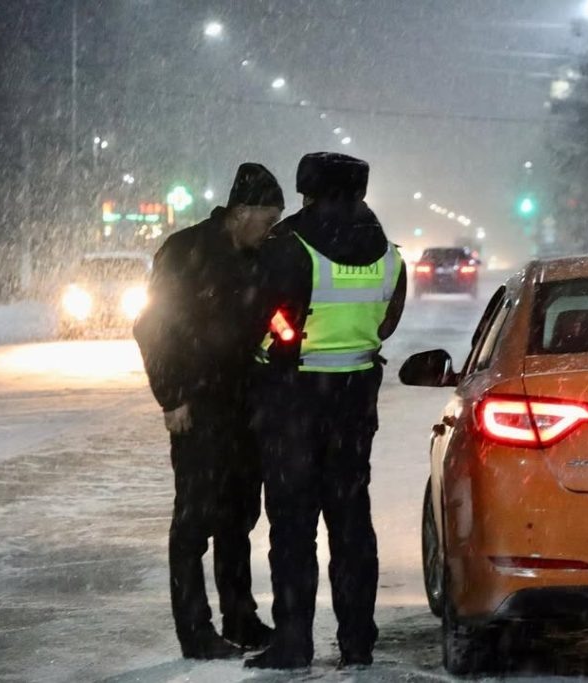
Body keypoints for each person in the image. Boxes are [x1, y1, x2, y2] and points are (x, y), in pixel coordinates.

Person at [245, 152, 406, 670]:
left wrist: (277, 348)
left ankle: (293, 644)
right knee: (351, 522)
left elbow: (268, 318)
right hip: (355, 399)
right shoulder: (389, 253)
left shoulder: (288, 244)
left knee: (293, 526)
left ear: (308, 190)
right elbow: (386, 323)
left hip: (294, 398)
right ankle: (357, 642)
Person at [133, 163, 284, 659]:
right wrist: (172, 396)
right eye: (267, 218)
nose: (271, 229)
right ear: (241, 212)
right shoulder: (185, 252)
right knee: (194, 522)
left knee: (238, 517)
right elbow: (151, 328)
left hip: (245, 407)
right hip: (198, 406)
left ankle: (240, 617)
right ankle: (195, 630)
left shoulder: (259, 258)